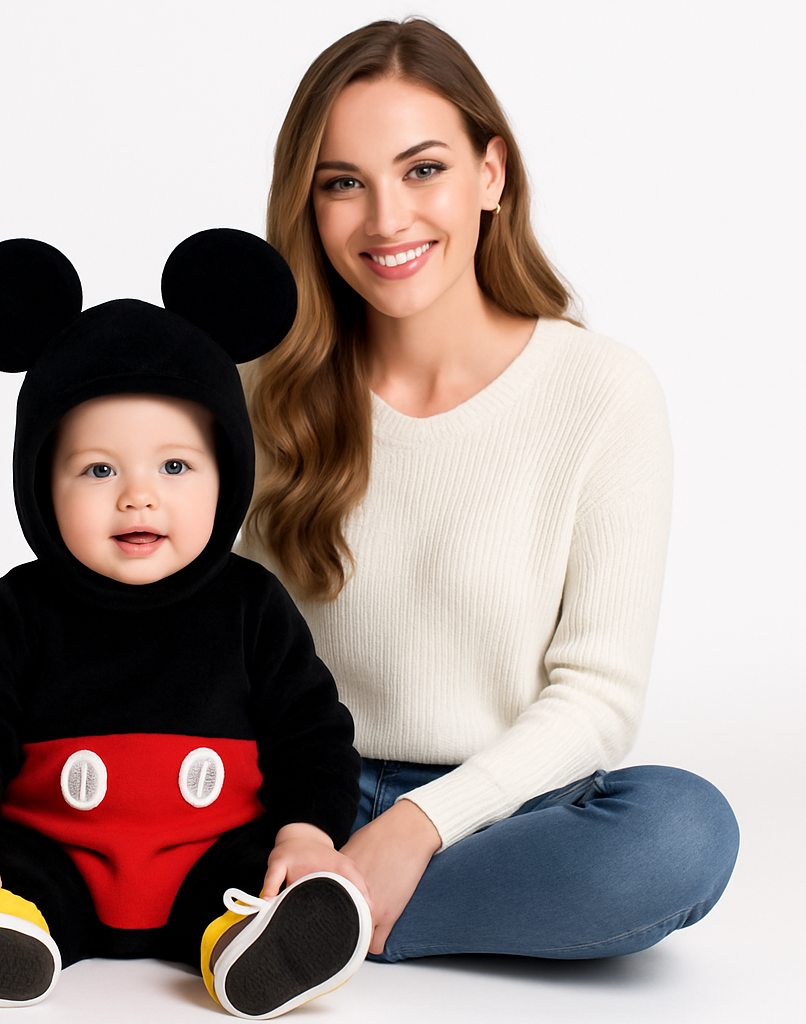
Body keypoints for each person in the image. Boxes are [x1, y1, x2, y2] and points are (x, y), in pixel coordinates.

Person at [237, 18, 739, 963]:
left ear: (491, 175)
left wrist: (417, 826)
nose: (386, 219)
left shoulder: (601, 392)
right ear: (308, 204)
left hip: (498, 808)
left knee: (683, 831)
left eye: (423, 169)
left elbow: (596, 698)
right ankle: (314, 903)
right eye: (343, 183)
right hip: (293, 798)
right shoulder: (259, 388)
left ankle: (317, 921)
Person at [0, 229, 371, 1019]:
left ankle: (252, 944)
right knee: (0, 867)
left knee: (258, 874)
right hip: (56, 852)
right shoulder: (22, 606)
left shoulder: (252, 603)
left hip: (211, 857)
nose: (138, 495)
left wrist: (308, 831)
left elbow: (311, 732)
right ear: (41, 484)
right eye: (98, 469)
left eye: (175, 465)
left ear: (229, 475)